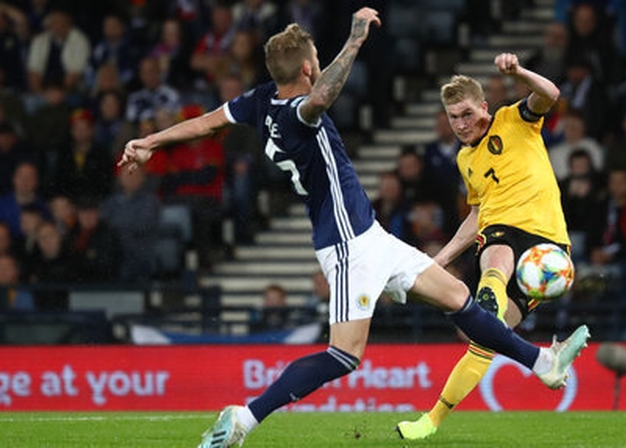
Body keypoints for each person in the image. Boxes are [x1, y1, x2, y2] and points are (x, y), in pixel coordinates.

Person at [117, 10, 589, 448]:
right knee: (344, 356)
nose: (320, 65)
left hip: (372, 235)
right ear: (306, 69)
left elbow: (207, 123)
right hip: (347, 244)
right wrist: (356, 38)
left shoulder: (258, 101)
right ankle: (245, 418)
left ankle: (542, 364)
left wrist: (151, 142)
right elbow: (321, 96)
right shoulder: (297, 111)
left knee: (461, 302)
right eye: (315, 60)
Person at [396, 54, 577, 439]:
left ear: (483, 107)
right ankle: (430, 422)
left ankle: (489, 297)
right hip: (502, 233)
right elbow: (477, 214)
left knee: (497, 248)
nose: (460, 124)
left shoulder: (514, 120)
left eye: (465, 114)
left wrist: (518, 74)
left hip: (546, 244)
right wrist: (440, 260)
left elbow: (551, 93)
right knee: (484, 339)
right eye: (452, 117)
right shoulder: (466, 159)